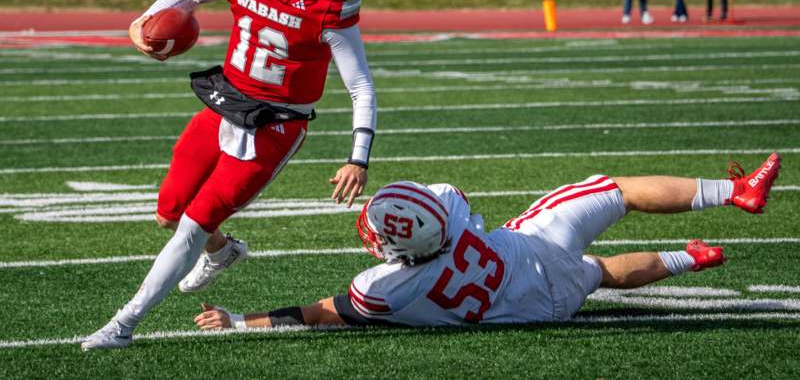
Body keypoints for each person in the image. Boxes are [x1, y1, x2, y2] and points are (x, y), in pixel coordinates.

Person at [82, 0, 378, 350]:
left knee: (192, 224)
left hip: (275, 123)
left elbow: (359, 84)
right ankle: (224, 250)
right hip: (227, 99)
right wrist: (145, 21)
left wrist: (357, 158)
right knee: (169, 211)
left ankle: (123, 323)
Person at [194, 153, 780, 330]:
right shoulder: (446, 203)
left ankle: (693, 257)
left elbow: (319, 313)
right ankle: (734, 194)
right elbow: (453, 203)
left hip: (539, 308)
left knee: (598, 271)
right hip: (533, 250)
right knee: (618, 189)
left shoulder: (385, 286)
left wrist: (240, 319)